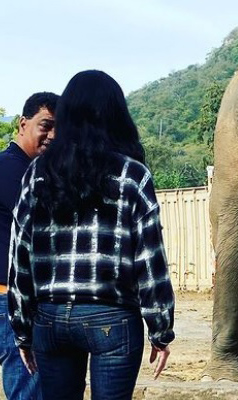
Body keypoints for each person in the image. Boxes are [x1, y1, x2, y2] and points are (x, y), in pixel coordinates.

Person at [8, 70, 175, 400]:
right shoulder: (132, 175)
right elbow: (150, 258)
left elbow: (20, 253)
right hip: (112, 319)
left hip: (50, 319)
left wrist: (22, 328)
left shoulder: (37, 174)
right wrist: (160, 328)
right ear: (116, 116)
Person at [0, 92, 58, 399]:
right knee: (28, 390)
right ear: (23, 124)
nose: (52, 136)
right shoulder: (14, 170)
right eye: (45, 125)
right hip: (10, 300)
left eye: (58, 130)